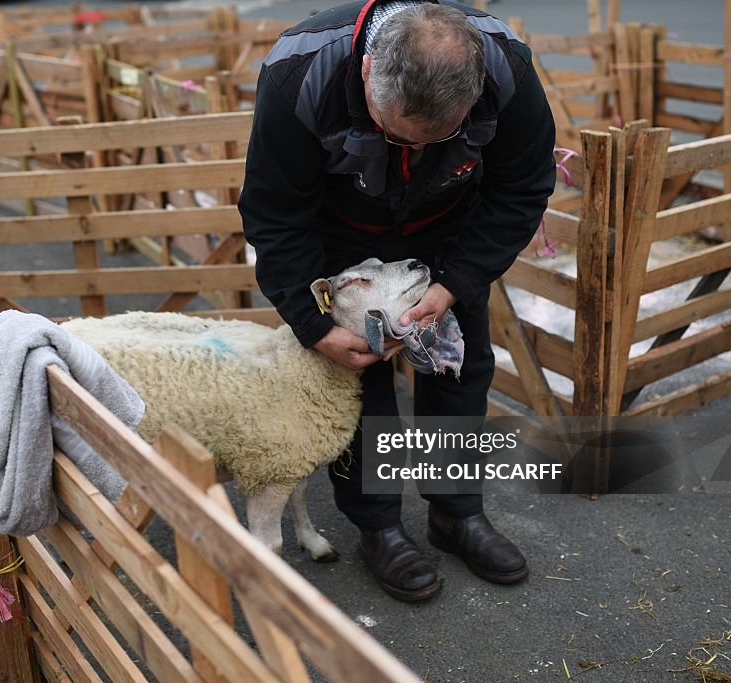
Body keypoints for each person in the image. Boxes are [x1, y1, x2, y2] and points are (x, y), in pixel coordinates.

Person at [238, 1, 556, 601]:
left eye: (441, 135)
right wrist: (313, 325)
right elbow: (275, 215)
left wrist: (454, 283)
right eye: (395, 132)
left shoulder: (506, 69)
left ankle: (455, 511)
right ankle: (378, 525)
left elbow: (521, 187)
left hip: (445, 228)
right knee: (359, 378)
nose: (412, 146)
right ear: (366, 78)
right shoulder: (298, 75)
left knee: (461, 368)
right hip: (342, 233)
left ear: (473, 93)